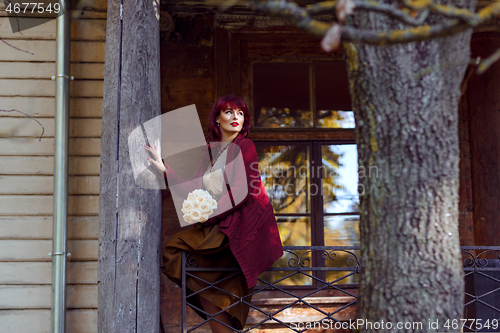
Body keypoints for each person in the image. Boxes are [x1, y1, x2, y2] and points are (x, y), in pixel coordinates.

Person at [145, 95, 283, 333]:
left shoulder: (244, 146)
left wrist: (209, 216)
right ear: (217, 119)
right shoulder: (210, 154)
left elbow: (243, 190)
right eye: (229, 112)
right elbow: (196, 189)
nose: (235, 117)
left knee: (177, 247)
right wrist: (164, 170)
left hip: (235, 228)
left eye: (240, 113)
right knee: (197, 274)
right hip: (218, 225)